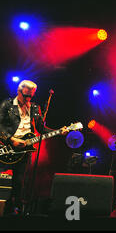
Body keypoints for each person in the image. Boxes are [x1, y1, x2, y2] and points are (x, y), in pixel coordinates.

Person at [0, 80, 68, 215]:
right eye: (25, 95)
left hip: (24, 150)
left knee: (19, 181)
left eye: (30, 96)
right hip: (6, 146)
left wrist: (59, 131)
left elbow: (41, 129)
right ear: (18, 91)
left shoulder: (34, 108)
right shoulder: (7, 105)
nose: (28, 99)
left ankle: (12, 209)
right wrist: (11, 139)